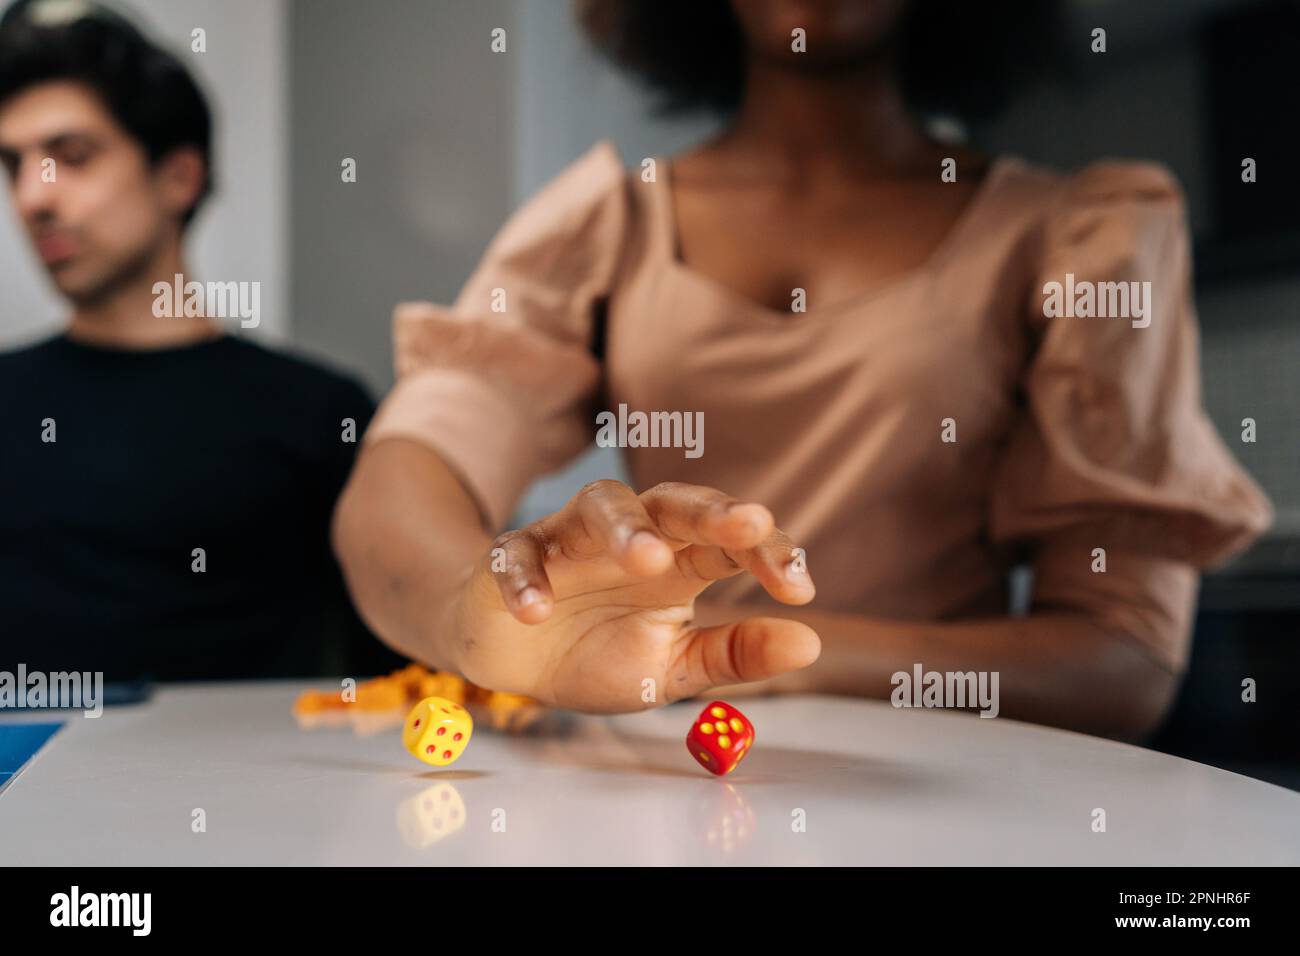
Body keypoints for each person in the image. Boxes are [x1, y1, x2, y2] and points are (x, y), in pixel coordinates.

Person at [333, 0, 1272, 740]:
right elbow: (399, 490)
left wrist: (754, 658)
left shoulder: (1079, 237)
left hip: (955, 794)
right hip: (674, 788)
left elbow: (1122, 660)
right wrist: (488, 611)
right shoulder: (602, 224)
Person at [0, 0, 398, 681]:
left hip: (248, 782)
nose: (34, 197)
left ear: (178, 177)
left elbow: (399, 671)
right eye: (14, 164)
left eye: (72, 156)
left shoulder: (315, 410)